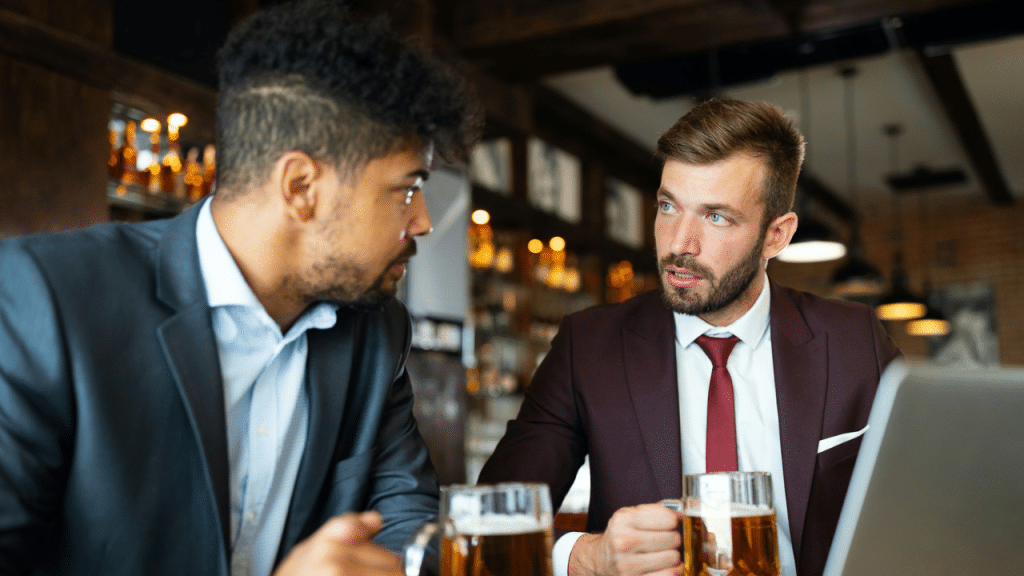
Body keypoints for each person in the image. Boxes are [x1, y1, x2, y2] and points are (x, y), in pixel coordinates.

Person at [0, 1, 479, 575]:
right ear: (301, 187)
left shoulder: (375, 328)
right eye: (407, 189)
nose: (423, 221)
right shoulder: (44, 300)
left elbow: (409, 526)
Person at [477, 98, 900, 576]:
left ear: (776, 236)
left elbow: (925, 505)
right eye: (667, 207)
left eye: (716, 217)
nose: (679, 244)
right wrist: (586, 558)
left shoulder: (853, 341)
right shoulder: (589, 347)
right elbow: (489, 522)